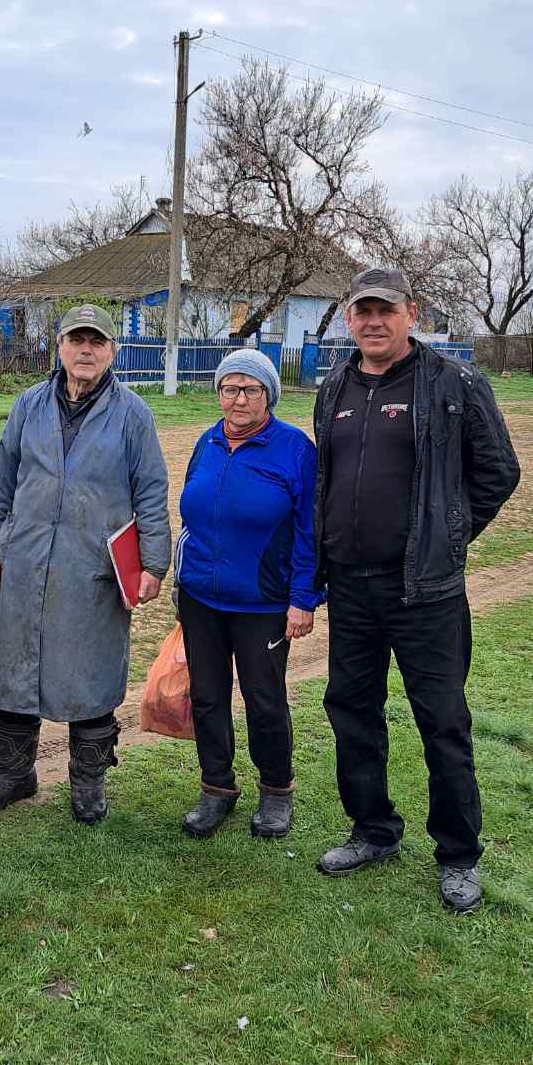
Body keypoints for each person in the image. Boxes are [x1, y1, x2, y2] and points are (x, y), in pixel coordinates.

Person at [313, 268, 520, 914]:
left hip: (425, 592)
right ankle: (373, 830)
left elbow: (498, 471)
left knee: (442, 720)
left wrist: (446, 537)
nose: (373, 321)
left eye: (386, 310)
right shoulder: (336, 386)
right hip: (351, 588)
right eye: (362, 311)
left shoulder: (454, 384)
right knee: (352, 711)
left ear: (412, 313)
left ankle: (459, 854)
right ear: (349, 318)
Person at [0, 303, 171, 824]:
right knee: (14, 672)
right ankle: (14, 774)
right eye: (76, 340)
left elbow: (151, 490)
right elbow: (4, 480)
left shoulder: (133, 414)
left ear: (112, 351)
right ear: (59, 347)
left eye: (96, 342)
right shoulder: (29, 405)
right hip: (25, 558)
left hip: (93, 568)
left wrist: (153, 563)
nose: (86, 350)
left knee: (91, 677)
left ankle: (87, 783)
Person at [174, 348, 319, 839]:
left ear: (268, 395)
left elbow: (310, 532)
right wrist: (182, 580)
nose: (238, 399)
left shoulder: (294, 448)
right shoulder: (208, 442)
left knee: (265, 699)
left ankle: (277, 790)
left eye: (250, 389)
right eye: (229, 388)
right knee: (207, 697)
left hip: (263, 602)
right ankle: (217, 787)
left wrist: (303, 598)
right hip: (201, 598)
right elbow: (191, 518)